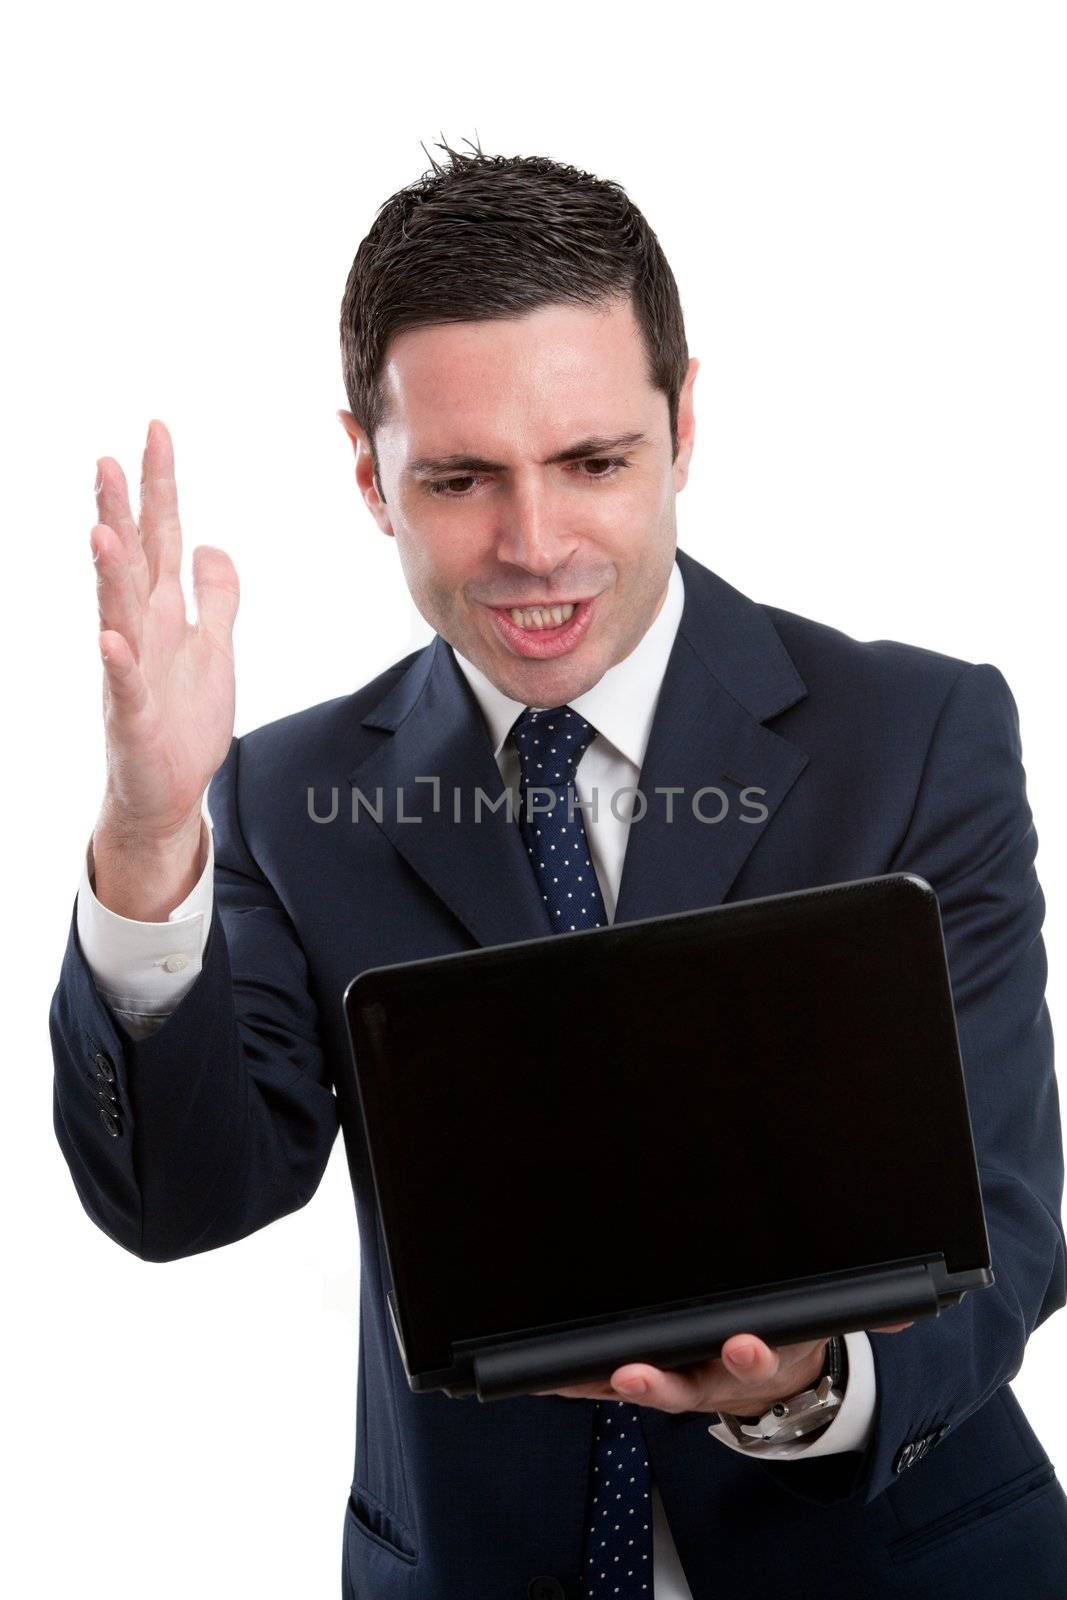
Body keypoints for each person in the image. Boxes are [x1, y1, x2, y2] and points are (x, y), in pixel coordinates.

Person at [50, 139, 1067, 1600]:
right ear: (366, 470)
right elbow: (184, 1199)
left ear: (685, 421)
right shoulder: (283, 791)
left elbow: (1010, 1216)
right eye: (461, 479)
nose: (535, 548)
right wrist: (153, 841)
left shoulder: (915, 734)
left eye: (594, 462)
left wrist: (804, 1384)